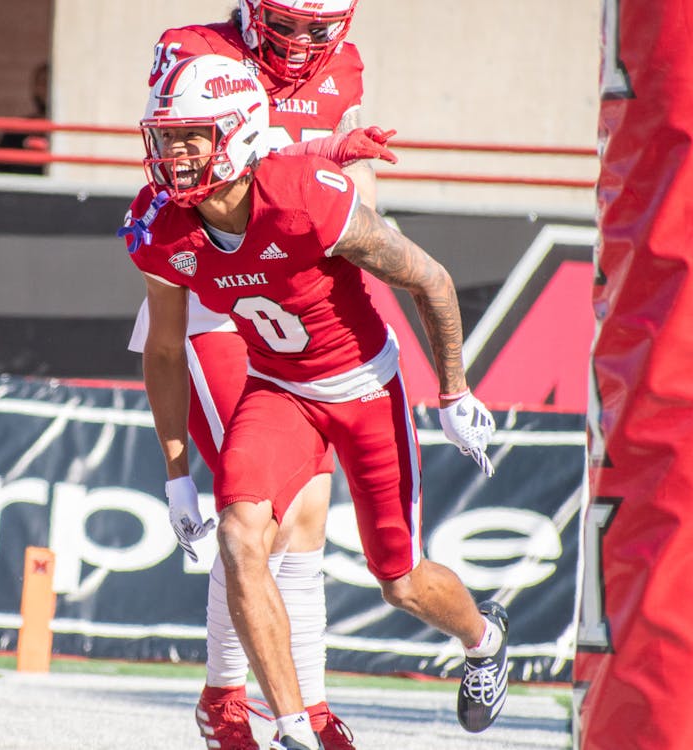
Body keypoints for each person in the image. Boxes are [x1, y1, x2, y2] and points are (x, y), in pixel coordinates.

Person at [123, 54, 508, 750]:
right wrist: (178, 472)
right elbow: (162, 349)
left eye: (191, 137)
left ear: (237, 136)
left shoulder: (307, 195)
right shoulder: (162, 225)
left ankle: (483, 640)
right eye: (167, 137)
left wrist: (453, 390)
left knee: (401, 579)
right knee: (243, 537)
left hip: (365, 387)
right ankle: (294, 728)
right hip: (279, 391)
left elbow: (431, 279)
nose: (173, 156)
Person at [127, 2, 382, 747]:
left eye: (317, 26)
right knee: (258, 515)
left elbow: (359, 199)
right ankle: (229, 696)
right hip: (213, 297)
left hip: (292, 307)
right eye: (287, 23)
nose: (303, 42)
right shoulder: (191, 47)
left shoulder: (344, 66)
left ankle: (299, 699)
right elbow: (178, 170)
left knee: (306, 511)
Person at [0, 62, 50, 176]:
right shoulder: (16, 131)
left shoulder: (67, 135)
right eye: (42, 83)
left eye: (50, 83)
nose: (46, 89)